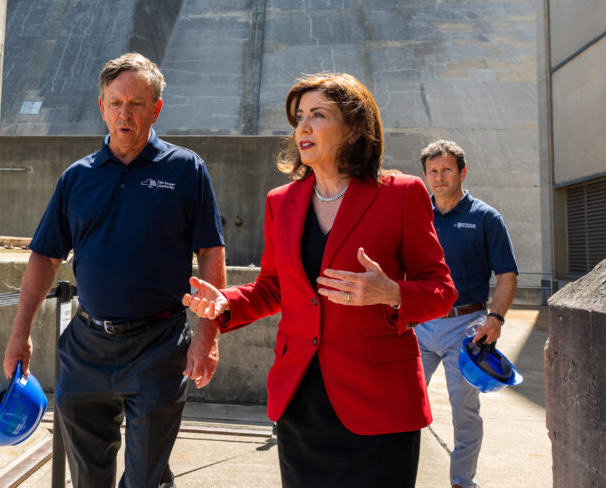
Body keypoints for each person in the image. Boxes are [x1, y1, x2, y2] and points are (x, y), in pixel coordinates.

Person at [183, 72, 457, 487]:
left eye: (318, 115)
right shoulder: (282, 202)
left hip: (379, 402)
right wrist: (226, 303)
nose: (303, 127)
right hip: (301, 399)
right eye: (299, 117)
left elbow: (441, 290)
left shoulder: (402, 193)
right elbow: (274, 287)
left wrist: (392, 292)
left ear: (354, 128)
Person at [1, 52, 226, 488]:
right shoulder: (76, 177)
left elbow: (211, 254)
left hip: (159, 346)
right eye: (115, 103)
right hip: (86, 348)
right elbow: (46, 257)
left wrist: (207, 335)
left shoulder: (185, 169)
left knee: (145, 478)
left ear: (156, 108)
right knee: (88, 478)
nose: (125, 114)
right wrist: (19, 332)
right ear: (101, 106)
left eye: (137, 104)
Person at [417, 140, 519, 488]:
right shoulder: (417, 215)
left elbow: (506, 272)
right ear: (425, 176)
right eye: (432, 171)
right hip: (419, 326)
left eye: (446, 169)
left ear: (462, 172)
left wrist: (497, 317)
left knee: (464, 411)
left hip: (466, 327)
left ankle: (462, 481)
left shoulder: (486, 218)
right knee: (400, 402)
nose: (439, 177)